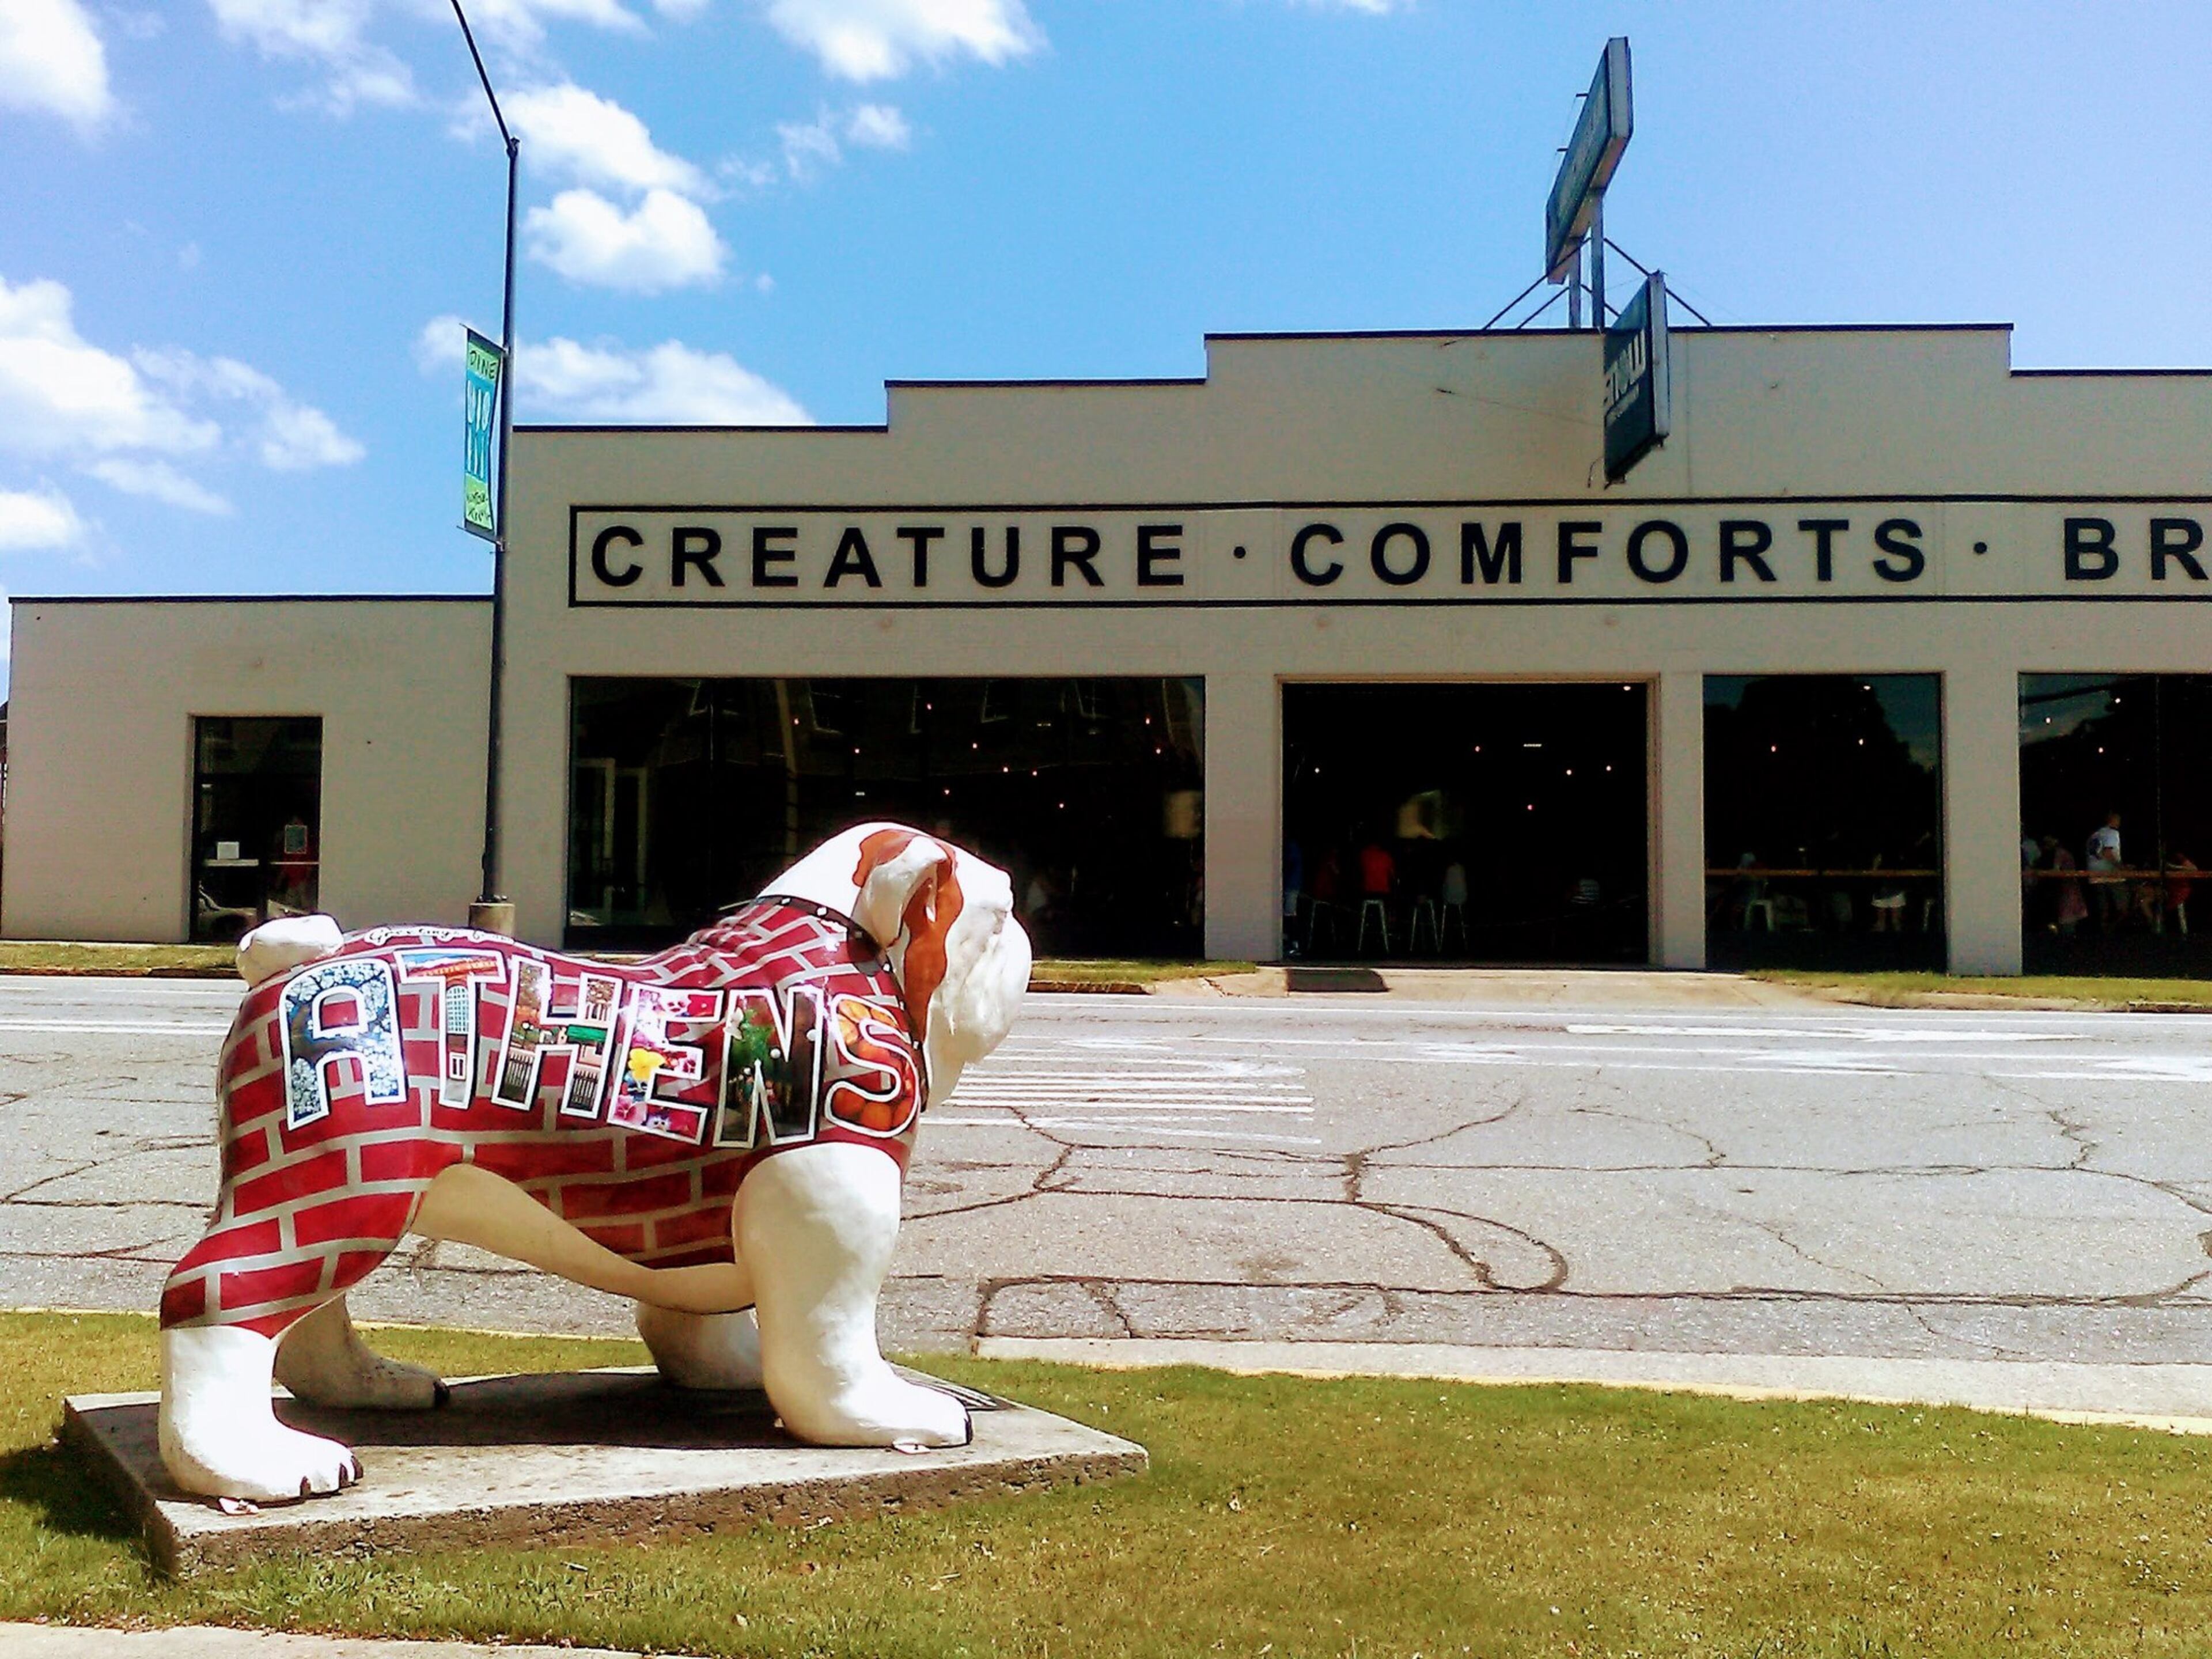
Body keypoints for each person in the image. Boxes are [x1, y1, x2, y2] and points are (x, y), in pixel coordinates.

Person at [2086, 811, 2126, 932]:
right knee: (2123, 906)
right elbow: (2108, 853)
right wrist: (2122, 868)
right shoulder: (2112, 833)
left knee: (2103, 908)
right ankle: (2112, 931)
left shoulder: (2094, 835)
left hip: (2095, 875)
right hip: (2110, 874)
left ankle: (2103, 933)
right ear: (2113, 820)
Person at [2044, 836, 2087, 936]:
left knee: (2068, 911)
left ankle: (2068, 936)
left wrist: (2044, 873)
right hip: (2069, 885)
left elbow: (2056, 870)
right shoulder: (2064, 852)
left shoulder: (2060, 853)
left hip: (2067, 886)